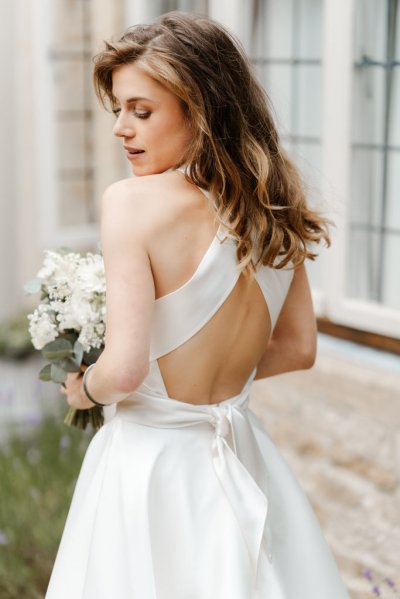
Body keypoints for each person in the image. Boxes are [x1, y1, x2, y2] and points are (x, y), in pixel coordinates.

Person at [46, 11, 350, 599]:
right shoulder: (275, 201)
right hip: (241, 453)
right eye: (119, 110)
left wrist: (84, 387)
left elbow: (127, 368)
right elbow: (298, 348)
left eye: (142, 110)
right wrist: (215, 385)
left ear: (201, 107)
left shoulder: (132, 203)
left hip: (150, 465)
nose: (121, 130)